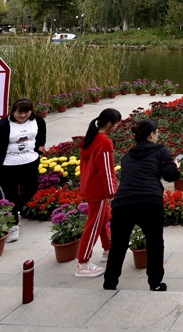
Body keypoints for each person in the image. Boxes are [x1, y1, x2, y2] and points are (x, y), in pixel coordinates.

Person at [103, 119, 180, 292]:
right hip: (149, 202)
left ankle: (110, 283)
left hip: (123, 203)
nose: (158, 134)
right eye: (157, 132)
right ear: (152, 134)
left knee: (118, 245)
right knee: (154, 243)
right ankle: (155, 284)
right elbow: (170, 175)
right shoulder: (160, 150)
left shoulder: (127, 156)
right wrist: (176, 165)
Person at [0, 97, 47, 243]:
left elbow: (41, 138)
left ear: (32, 111)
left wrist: (39, 151)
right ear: (13, 111)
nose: (23, 116)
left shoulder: (37, 120)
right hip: (6, 167)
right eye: (19, 113)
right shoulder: (1, 126)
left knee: (31, 189)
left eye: (26, 112)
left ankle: (14, 210)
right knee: (8, 196)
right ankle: (12, 226)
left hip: (29, 164)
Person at [75, 108, 120, 278]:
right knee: (94, 224)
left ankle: (108, 249)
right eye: (116, 124)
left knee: (104, 219)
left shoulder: (91, 137)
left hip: (89, 186)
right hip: (98, 190)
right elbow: (106, 170)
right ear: (109, 124)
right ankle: (83, 263)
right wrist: (111, 192)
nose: (117, 127)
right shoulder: (104, 142)